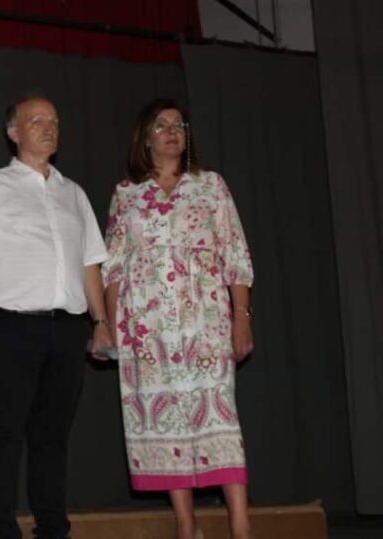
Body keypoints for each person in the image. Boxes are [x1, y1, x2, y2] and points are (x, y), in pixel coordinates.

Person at [0, 95, 114, 539]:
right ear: (14, 132)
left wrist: (101, 323)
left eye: (54, 121)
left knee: (52, 437)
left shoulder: (73, 193)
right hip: (9, 326)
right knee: (3, 435)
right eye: (37, 121)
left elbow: (90, 265)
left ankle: (53, 529)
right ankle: (2, 530)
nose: (49, 128)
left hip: (68, 329)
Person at [102, 99, 254, 539]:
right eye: (161, 125)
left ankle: (240, 523)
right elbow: (113, 266)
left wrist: (241, 316)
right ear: (144, 138)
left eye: (178, 124)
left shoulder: (210, 186)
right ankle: (187, 526)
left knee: (218, 414)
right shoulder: (126, 194)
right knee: (164, 419)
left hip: (206, 321)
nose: (172, 130)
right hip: (147, 328)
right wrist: (110, 327)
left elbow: (235, 253)